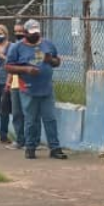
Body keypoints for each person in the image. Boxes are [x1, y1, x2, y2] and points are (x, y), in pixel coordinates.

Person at [5, 19, 67, 160]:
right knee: (31, 120)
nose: (35, 35)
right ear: (25, 33)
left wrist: (51, 61)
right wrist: (26, 69)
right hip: (28, 89)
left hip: (46, 88)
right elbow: (8, 66)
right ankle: (30, 147)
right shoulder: (17, 48)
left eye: (37, 32)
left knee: (50, 118)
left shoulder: (48, 44)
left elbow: (57, 61)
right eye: (31, 33)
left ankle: (55, 147)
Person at [6, 23, 27, 150]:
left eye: (21, 31)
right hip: (15, 83)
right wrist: (8, 82)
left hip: (27, 84)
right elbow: (10, 65)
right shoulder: (13, 47)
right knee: (16, 112)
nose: (18, 33)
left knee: (29, 113)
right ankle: (20, 140)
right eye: (16, 31)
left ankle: (30, 140)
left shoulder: (29, 46)